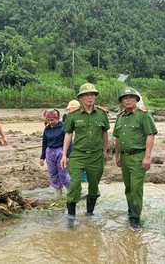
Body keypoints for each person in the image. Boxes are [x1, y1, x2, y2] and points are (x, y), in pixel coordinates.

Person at [60, 83, 110, 226]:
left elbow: (105, 132)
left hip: (96, 156)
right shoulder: (73, 115)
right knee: (75, 184)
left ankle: (89, 213)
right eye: (87, 95)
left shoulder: (102, 113)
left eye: (93, 94)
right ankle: (71, 217)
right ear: (81, 97)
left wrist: (105, 151)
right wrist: (64, 155)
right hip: (78, 155)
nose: (90, 97)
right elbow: (68, 134)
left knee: (94, 186)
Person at [113, 88, 158, 229]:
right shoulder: (120, 117)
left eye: (131, 97)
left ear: (136, 100)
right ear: (121, 102)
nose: (128, 100)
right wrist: (117, 156)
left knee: (136, 188)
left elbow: (150, 135)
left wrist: (147, 157)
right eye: (125, 98)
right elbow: (118, 138)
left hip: (138, 157)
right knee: (128, 188)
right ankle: (131, 212)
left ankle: (135, 219)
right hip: (125, 158)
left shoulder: (143, 115)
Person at [39, 109, 71, 198]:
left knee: (63, 173)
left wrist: (67, 155)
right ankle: (58, 194)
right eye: (48, 120)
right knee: (53, 174)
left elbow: (69, 142)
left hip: (61, 151)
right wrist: (42, 157)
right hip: (50, 152)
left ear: (57, 118)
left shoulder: (63, 127)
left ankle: (71, 191)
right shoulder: (47, 129)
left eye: (52, 120)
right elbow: (44, 143)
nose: (50, 122)